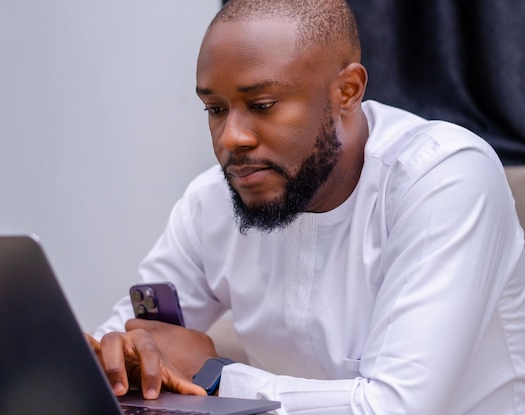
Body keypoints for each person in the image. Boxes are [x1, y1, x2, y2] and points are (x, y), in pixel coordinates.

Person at [88, 0, 525, 413]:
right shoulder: (213, 200)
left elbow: (395, 406)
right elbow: (131, 334)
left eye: (262, 105)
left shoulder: (442, 178)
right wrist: (121, 356)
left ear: (347, 91)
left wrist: (215, 376)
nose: (231, 138)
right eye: (215, 108)